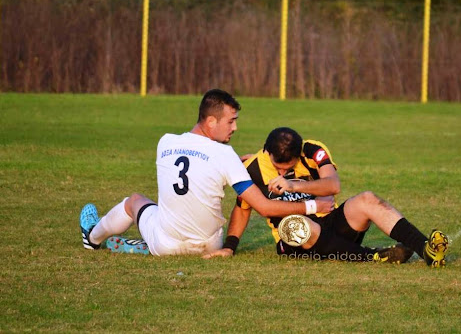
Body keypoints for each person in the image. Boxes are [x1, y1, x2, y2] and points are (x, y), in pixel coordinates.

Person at [79, 89, 335, 257]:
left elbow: (196, 161)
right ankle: (116, 239)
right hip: (209, 246)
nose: (235, 127)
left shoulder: (165, 142)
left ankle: (92, 237)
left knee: (135, 201)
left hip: (166, 245)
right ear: (211, 122)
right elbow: (264, 207)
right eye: (230, 121)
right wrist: (313, 206)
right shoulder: (226, 156)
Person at [206, 127, 449, 267]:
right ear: (266, 151)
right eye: (277, 167)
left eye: (287, 167)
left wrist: (291, 184)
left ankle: (426, 248)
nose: (281, 172)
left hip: (330, 224)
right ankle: (374, 255)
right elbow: (242, 207)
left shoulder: (312, 150)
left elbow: (333, 185)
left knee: (367, 199)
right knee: (295, 225)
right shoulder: (252, 167)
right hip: (296, 238)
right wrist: (230, 246)